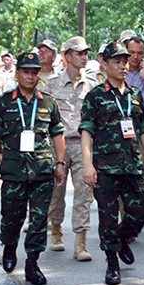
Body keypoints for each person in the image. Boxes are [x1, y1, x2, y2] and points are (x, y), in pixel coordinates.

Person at [80, 41, 144, 285]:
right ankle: (112, 262)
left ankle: (123, 238)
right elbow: (86, 131)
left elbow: (143, 128)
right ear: (105, 64)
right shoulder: (95, 96)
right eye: (118, 61)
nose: (123, 66)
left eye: (125, 61)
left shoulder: (134, 94)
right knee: (107, 217)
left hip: (133, 165)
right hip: (105, 167)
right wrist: (87, 164)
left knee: (140, 211)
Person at [0, 51, 66, 285]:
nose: (30, 77)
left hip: (42, 171)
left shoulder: (48, 102)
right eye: (26, 72)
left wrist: (60, 164)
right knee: (11, 217)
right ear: (18, 73)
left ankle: (32, 263)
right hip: (13, 171)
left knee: (40, 220)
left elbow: (57, 133)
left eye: (34, 72)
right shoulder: (3, 102)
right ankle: (9, 248)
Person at [43, 36, 98, 259]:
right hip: (59, 144)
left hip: (84, 144)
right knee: (56, 191)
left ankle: (80, 240)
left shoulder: (93, 86)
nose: (84, 57)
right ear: (67, 56)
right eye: (79, 53)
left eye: (86, 53)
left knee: (84, 193)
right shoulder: (52, 85)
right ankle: (56, 229)